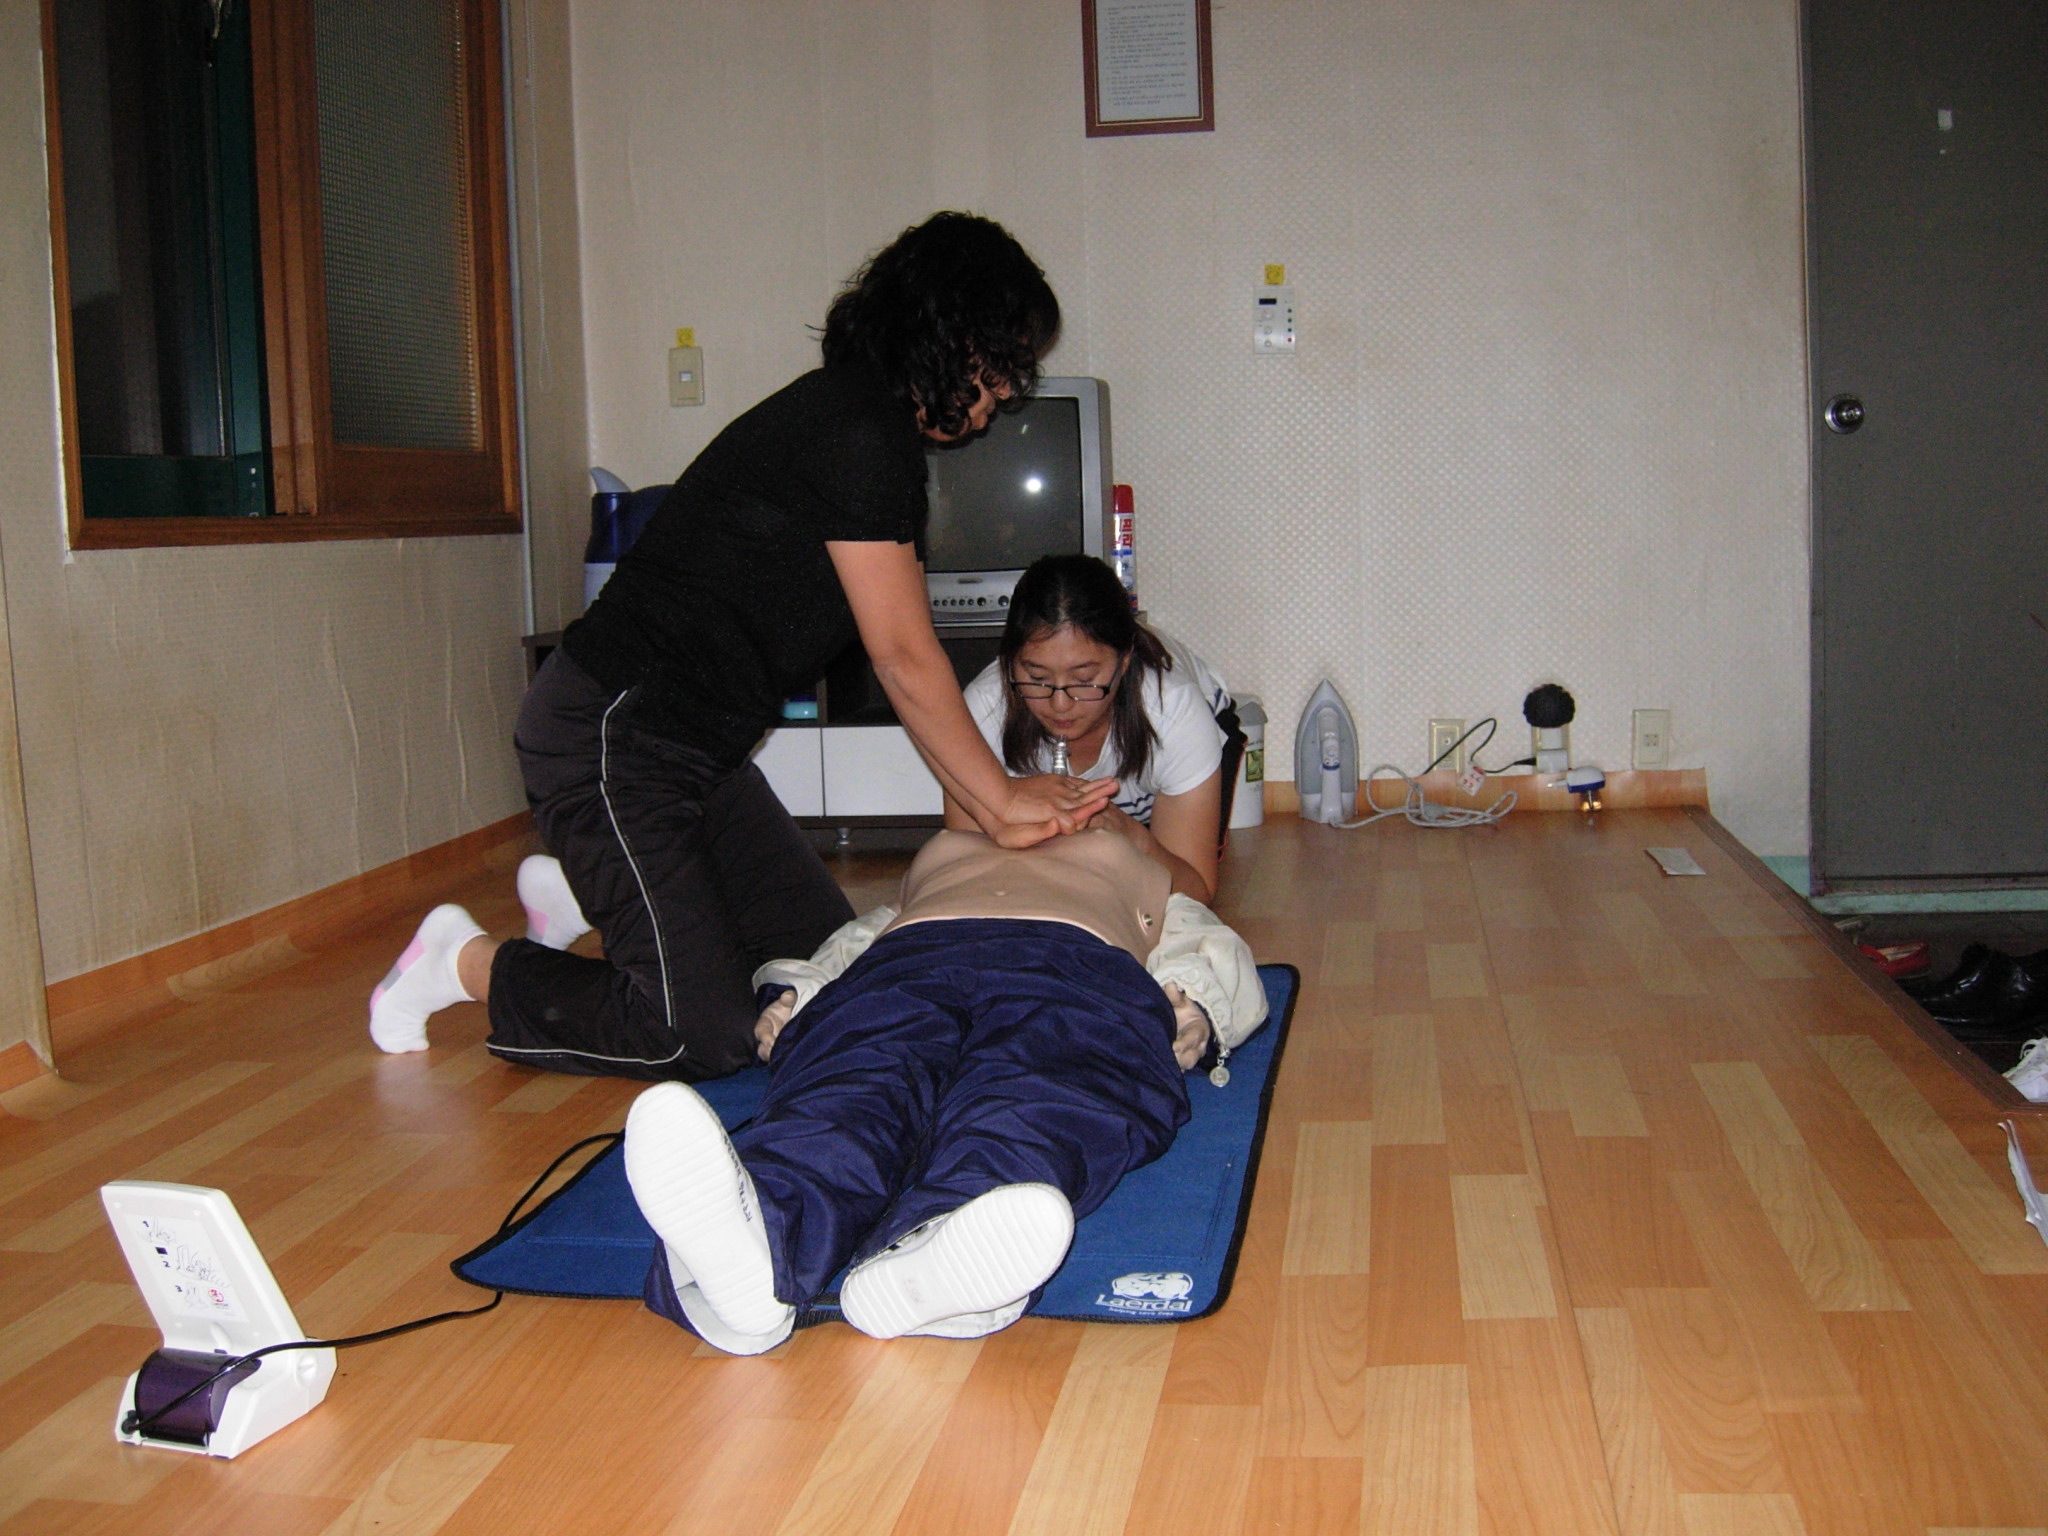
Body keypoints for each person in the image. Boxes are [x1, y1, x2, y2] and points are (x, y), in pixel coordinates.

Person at [365, 213, 1118, 1080]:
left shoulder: (869, 429)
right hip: (608, 739)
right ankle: (459, 962)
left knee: (827, 969)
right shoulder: (858, 432)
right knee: (701, 1032)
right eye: (1004, 364)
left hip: (699, 761)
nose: (1006, 395)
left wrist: (999, 801)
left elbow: (904, 648)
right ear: (953, 335)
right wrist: (1003, 801)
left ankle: (584, 889)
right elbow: (905, 659)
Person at [620, 824, 1268, 1354]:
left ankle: (947, 1239)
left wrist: (1196, 1004)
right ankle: (760, 1246)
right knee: (852, 1082)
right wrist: (799, 992)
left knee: (1043, 1088)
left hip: (1076, 962)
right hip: (907, 960)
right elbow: (858, 939)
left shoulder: (1129, 855)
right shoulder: (950, 848)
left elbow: (1209, 943)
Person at [957, 554, 1237, 904]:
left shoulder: (1174, 712)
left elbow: (1195, 891)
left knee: (1142, 886)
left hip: (1197, 727)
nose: (1060, 704)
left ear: (1124, 661)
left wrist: (1130, 835)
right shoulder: (983, 709)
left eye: (1084, 679)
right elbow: (963, 874)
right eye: (1036, 677)